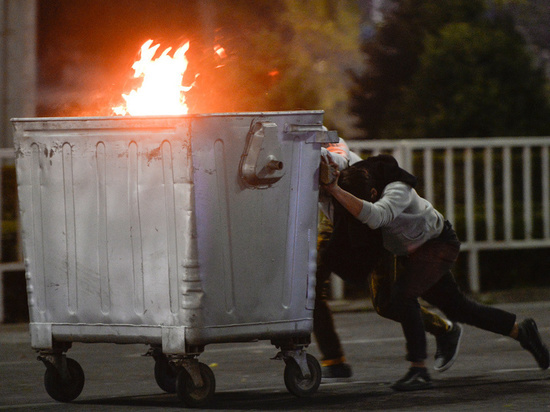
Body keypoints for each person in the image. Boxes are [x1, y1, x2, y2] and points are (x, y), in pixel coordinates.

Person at [322, 153, 550, 391]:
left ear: (372, 194)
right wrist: (329, 184)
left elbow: (377, 217)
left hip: (436, 244)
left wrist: (337, 191)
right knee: (459, 308)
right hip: (409, 253)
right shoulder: (359, 180)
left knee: (403, 296)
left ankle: (418, 369)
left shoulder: (398, 190)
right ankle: (520, 331)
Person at [316, 143, 462, 379]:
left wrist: (328, 165)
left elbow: (337, 156)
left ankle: (444, 330)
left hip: (360, 213)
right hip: (335, 215)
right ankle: (333, 359)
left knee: (385, 302)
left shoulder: (320, 142)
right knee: (310, 288)